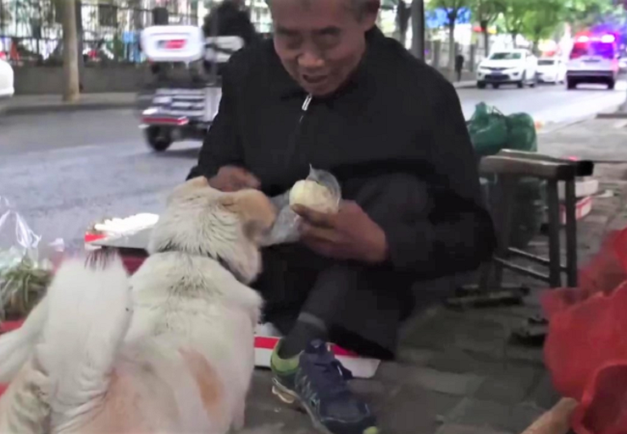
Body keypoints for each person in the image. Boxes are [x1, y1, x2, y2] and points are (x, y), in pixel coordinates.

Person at [187, 0, 496, 433]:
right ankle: (300, 347)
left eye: (328, 38)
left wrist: (384, 244)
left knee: (402, 189)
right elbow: (201, 176)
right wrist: (218, 182)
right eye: (288, 38)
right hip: (264, 269)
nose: (309, 61)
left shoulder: (422, 96)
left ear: (368, 16)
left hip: (366, 286)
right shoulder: (247, 75)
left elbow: (477, 234)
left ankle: (302, 348)